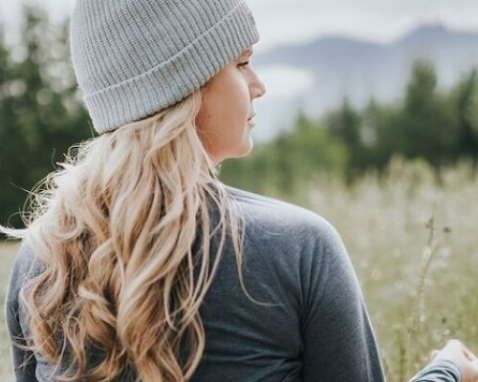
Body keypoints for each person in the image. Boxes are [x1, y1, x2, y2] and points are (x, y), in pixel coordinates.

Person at [1, 1, 477, 381]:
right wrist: (448, 372)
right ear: (183, 89)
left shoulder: (40, 263)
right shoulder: (297, 249)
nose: (259, 85)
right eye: (242, 63)